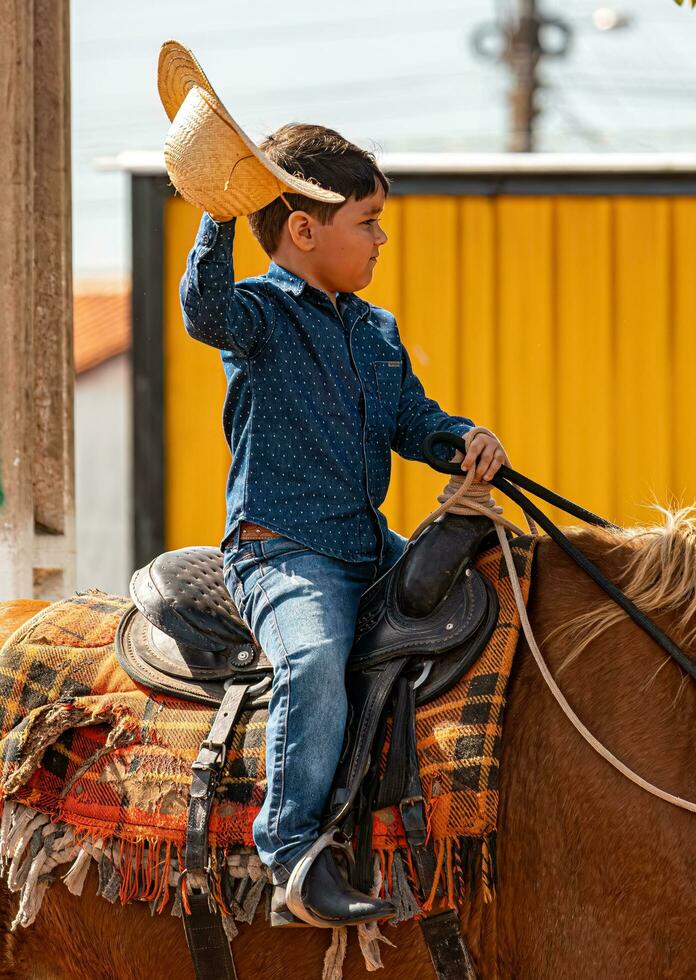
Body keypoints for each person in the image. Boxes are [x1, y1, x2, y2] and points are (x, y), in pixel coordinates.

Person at [179, 123, 509, 927]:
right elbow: (203, 306)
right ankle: (290, 857)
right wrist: (221, 211)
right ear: (303, 230)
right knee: (317, 655)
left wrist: (457, 439)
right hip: (284, 553)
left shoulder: (376, 330)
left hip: (366, 547)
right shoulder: (255, 315)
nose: (380, 237)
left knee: (500, 585)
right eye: (366, 221)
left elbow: (410, 418)